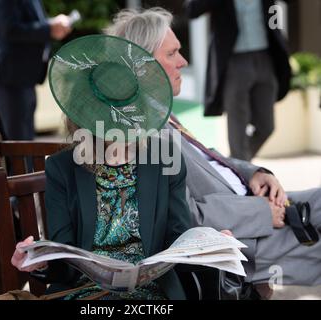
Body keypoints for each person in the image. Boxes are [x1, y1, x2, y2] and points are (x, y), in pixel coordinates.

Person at [104, 7, 321, 298]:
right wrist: (260, 212)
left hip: (249, 204)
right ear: (141, 65)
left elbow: (208, 158)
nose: (183, 62)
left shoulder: (161, 115)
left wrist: (253, 172)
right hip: (237, 236)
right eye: (172, 54)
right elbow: (185, 217)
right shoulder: (140, 136)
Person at [10, 34, 231, 300]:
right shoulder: (62, 168)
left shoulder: (163, 159)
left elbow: (178, 237)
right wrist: (40, 261)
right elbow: (63, 261)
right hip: (84, 293)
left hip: (154, 293)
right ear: (83, 115)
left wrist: (210, 246)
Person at [185, 0, 292, 161]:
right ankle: (239, 166)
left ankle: (236, 165)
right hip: (234, 62)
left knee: (266, 126)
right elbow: (191, 10)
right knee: (237, 125)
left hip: (265, 58)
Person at [0, 0, 72, 141]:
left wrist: (53, 25)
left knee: (26, 139)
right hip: (10, 75)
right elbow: (10, 30)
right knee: (17, 140)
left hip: (26, 75)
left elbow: (30, 20)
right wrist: (49, 29)